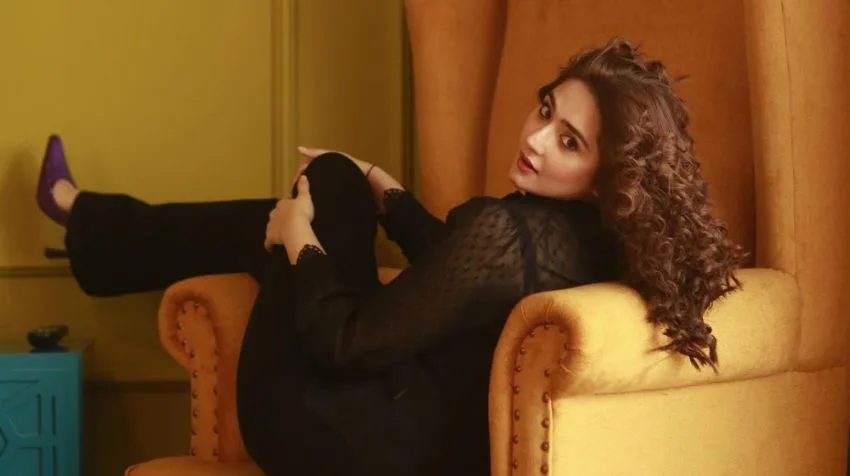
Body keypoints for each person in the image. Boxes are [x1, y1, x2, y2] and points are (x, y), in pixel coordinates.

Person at [35, 38, 744, 475]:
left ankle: (84, 221)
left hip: (322, 437)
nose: (535, 138)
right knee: (337, 182)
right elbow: (465, 280)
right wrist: (386, 190)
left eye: (569, 142)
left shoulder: (505, 228)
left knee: (311, 194)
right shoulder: (596, 240)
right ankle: (88, 222)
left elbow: (344, 342)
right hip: (403, 439)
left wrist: (300, 238)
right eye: (545, 109)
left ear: (606, 173)